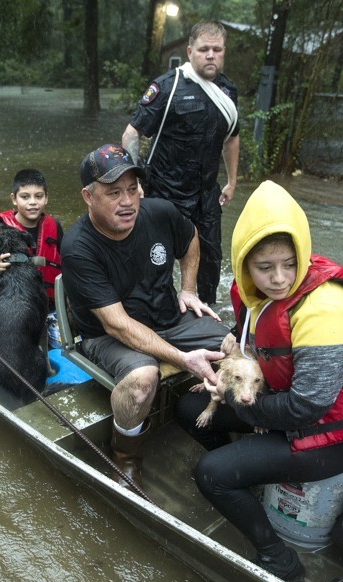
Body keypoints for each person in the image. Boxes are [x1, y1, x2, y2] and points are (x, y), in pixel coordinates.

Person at [175, 180, 343, 581]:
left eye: (289, 264)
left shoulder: (324, 310)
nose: (279, 278)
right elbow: (257, 338)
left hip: (333, 434)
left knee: (210, 473)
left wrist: (231, 395)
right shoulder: (254, 294)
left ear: (303, 255)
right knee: (188, 407)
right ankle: (251, 475)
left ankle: (278, 556)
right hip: (282, 408)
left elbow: (308, 407)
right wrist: (230, 345)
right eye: (264, 268)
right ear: (244, 264)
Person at [60, 144, 230, 490]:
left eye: (132, 189)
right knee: (143, 379)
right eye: (113, 193)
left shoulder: (160, 213)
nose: (128, 202)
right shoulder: (79, 247)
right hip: (107, 336)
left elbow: (191, 237)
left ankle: (218, 426)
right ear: (88, 196)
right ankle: (125, 456)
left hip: (169, 317)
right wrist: (183, 359)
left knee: (235, 345)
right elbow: (116, 324)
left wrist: (189, 290)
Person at [122, 20, 240, 306]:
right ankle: (156, 310)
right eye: (203, 49)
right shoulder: (167, 87)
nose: (210, 55)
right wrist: (134, 182)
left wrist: (233, 181)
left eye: (217, 49)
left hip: (205, 195)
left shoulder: (228, 92)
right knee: (156, 257)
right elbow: (131, 133)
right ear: (190, 52)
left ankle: (206, 311)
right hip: (164, 192)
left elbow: (232, 137)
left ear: (224, 52)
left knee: (211, 259)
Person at [0, 168, 63, 305]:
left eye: (39, 196)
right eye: (25, 197)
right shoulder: (1, 229)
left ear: (46, 198)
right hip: (15, 303)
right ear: (14, 199)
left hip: (49, 303)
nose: (32, 202)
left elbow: (66, 265)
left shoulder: (55, 226)